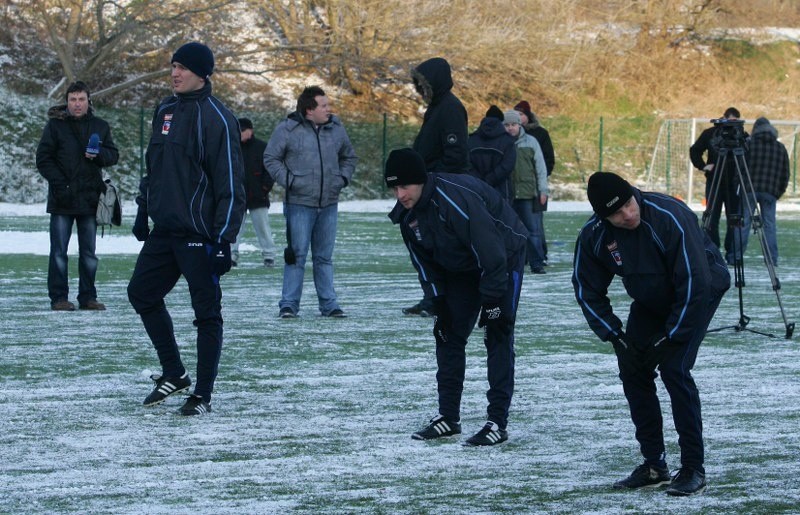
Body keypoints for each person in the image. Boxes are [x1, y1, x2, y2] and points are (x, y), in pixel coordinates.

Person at [572, 172, 730, 496]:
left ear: (634, 193)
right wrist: (615, 335)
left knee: (674, 369)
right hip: (649, 298)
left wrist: (671, 336)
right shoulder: (594, 236)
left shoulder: (670, 215)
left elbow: (695, 283)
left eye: (629, 204)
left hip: (699, 290)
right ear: (603, 217)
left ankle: (693, 469)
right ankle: (654, 464)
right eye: (617, 213)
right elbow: (587, 290)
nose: (628, 215)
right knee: (633, 369)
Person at [127, 42, 245, 416]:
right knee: (141, 293)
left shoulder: (218, 119)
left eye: (182, 67)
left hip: (200, 236)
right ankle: (174, 372)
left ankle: (203, 395)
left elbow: (231, 185)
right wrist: (144, 209)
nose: (175, 73)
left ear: (202, 73)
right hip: (165, 230)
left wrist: (225, 239)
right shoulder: (164, 109)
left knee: (206, 314)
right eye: (173, 66)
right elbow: (153, 167)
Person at [386, 148, 528, 446]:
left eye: (404, 186)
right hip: (462, 268)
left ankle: (497, 423)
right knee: (448, 334)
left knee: (497, 333)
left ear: (421, 181)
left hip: (504, 257)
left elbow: (491, 252)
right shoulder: (407, 217)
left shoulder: (455, 198)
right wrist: (438, 302)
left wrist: (491, 302)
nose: (399, 194)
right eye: (394, 188)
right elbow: (425, 265)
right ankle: (449, 418)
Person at [264, 86, 357, 319]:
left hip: (329, 203)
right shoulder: (287, 129)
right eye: (323, 105)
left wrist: (342, 178)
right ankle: (288, 305)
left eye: (328, 105)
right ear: (309, 110)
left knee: (324, 257)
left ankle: (329, 305)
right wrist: (290, 181)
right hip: (298, 203)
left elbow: (349, 156)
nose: (329, 109)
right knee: (296, 256)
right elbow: (271, 157)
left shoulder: (336, 128)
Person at [36, 80, 119, 311]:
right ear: (67, 102)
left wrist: (98, 155)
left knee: (89, 254)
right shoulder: (54, 126)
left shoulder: (100, 126)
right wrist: (61, 184)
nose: (77, 104)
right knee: (59, 253)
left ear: (88, 101)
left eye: (81, 99)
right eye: (73, 99)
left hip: (91, 200)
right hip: (62, 199)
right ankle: (59, 299)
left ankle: (88, 298)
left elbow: (113, 155)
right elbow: (43, 159)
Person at [403, 57, 470, 317]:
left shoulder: (449, 108)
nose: (419, 92)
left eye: (423, 86)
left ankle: (439, 296)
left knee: (434, 245)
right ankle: (434, 295)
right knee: (424, 244)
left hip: (437, 189)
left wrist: (430, 180)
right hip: (431, 186)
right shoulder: (440, 107)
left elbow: (455, 155)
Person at [690, 107, 744, 260]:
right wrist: (703, 166)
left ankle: (732, 252)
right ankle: (713, 251)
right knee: (712, 217)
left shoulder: (740, 136)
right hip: (715, 181)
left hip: (734, 182)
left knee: (734, 218)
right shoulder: (711, 134)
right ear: (724, 118)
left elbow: (747, 152)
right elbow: (695, 150)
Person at [739, 117, 790, 267]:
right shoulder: (780, 148)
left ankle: (736, 257)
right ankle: (771, 259)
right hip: (770, 192)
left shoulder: (748, 145)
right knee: (769, 225)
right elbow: (785, 174)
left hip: (749, 190)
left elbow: (740, 168)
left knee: (744, 224)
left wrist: (740, 187)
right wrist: (777, 192)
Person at [504, 110, 549, 274]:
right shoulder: (501, 143)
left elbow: (541, 169)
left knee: (533, 230)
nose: (510, 128)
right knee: (509, 230)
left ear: (519, 124)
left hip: (528, 194)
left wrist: (543, 190)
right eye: (507, 125)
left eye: (513, 124)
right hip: (508, 195)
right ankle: (514, 262)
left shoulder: (531, 142)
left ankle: (536, 262)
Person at [231, 117, 276, 268]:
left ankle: (269, 255)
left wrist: (264, 189)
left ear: (250, 130)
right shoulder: (232, 147)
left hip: (258, 196)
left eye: (242, 130)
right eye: (238, 130)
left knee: (263, 228)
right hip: (237, 196)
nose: (240, 133)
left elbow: (270, 170)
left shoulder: (262, 147)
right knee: (235, 228)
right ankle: (232, 255)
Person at [515, 100, 555, 264]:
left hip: (536, 186)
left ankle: (540, 255)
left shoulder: (540, 134)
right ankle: (524, 256)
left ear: (528, 116)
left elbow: (547, 160)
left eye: (521, 114)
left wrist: (540, 181)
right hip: (519, 188)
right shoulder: (511, 135)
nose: (519, 117)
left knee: (536, 225)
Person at [466, 104, 516, 200]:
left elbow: (467, 163)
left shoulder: (472, 140)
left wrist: (480, 181)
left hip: (476, 190)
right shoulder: (507, 141)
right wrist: (490, 179)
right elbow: (507, 166)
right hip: (501, 191)